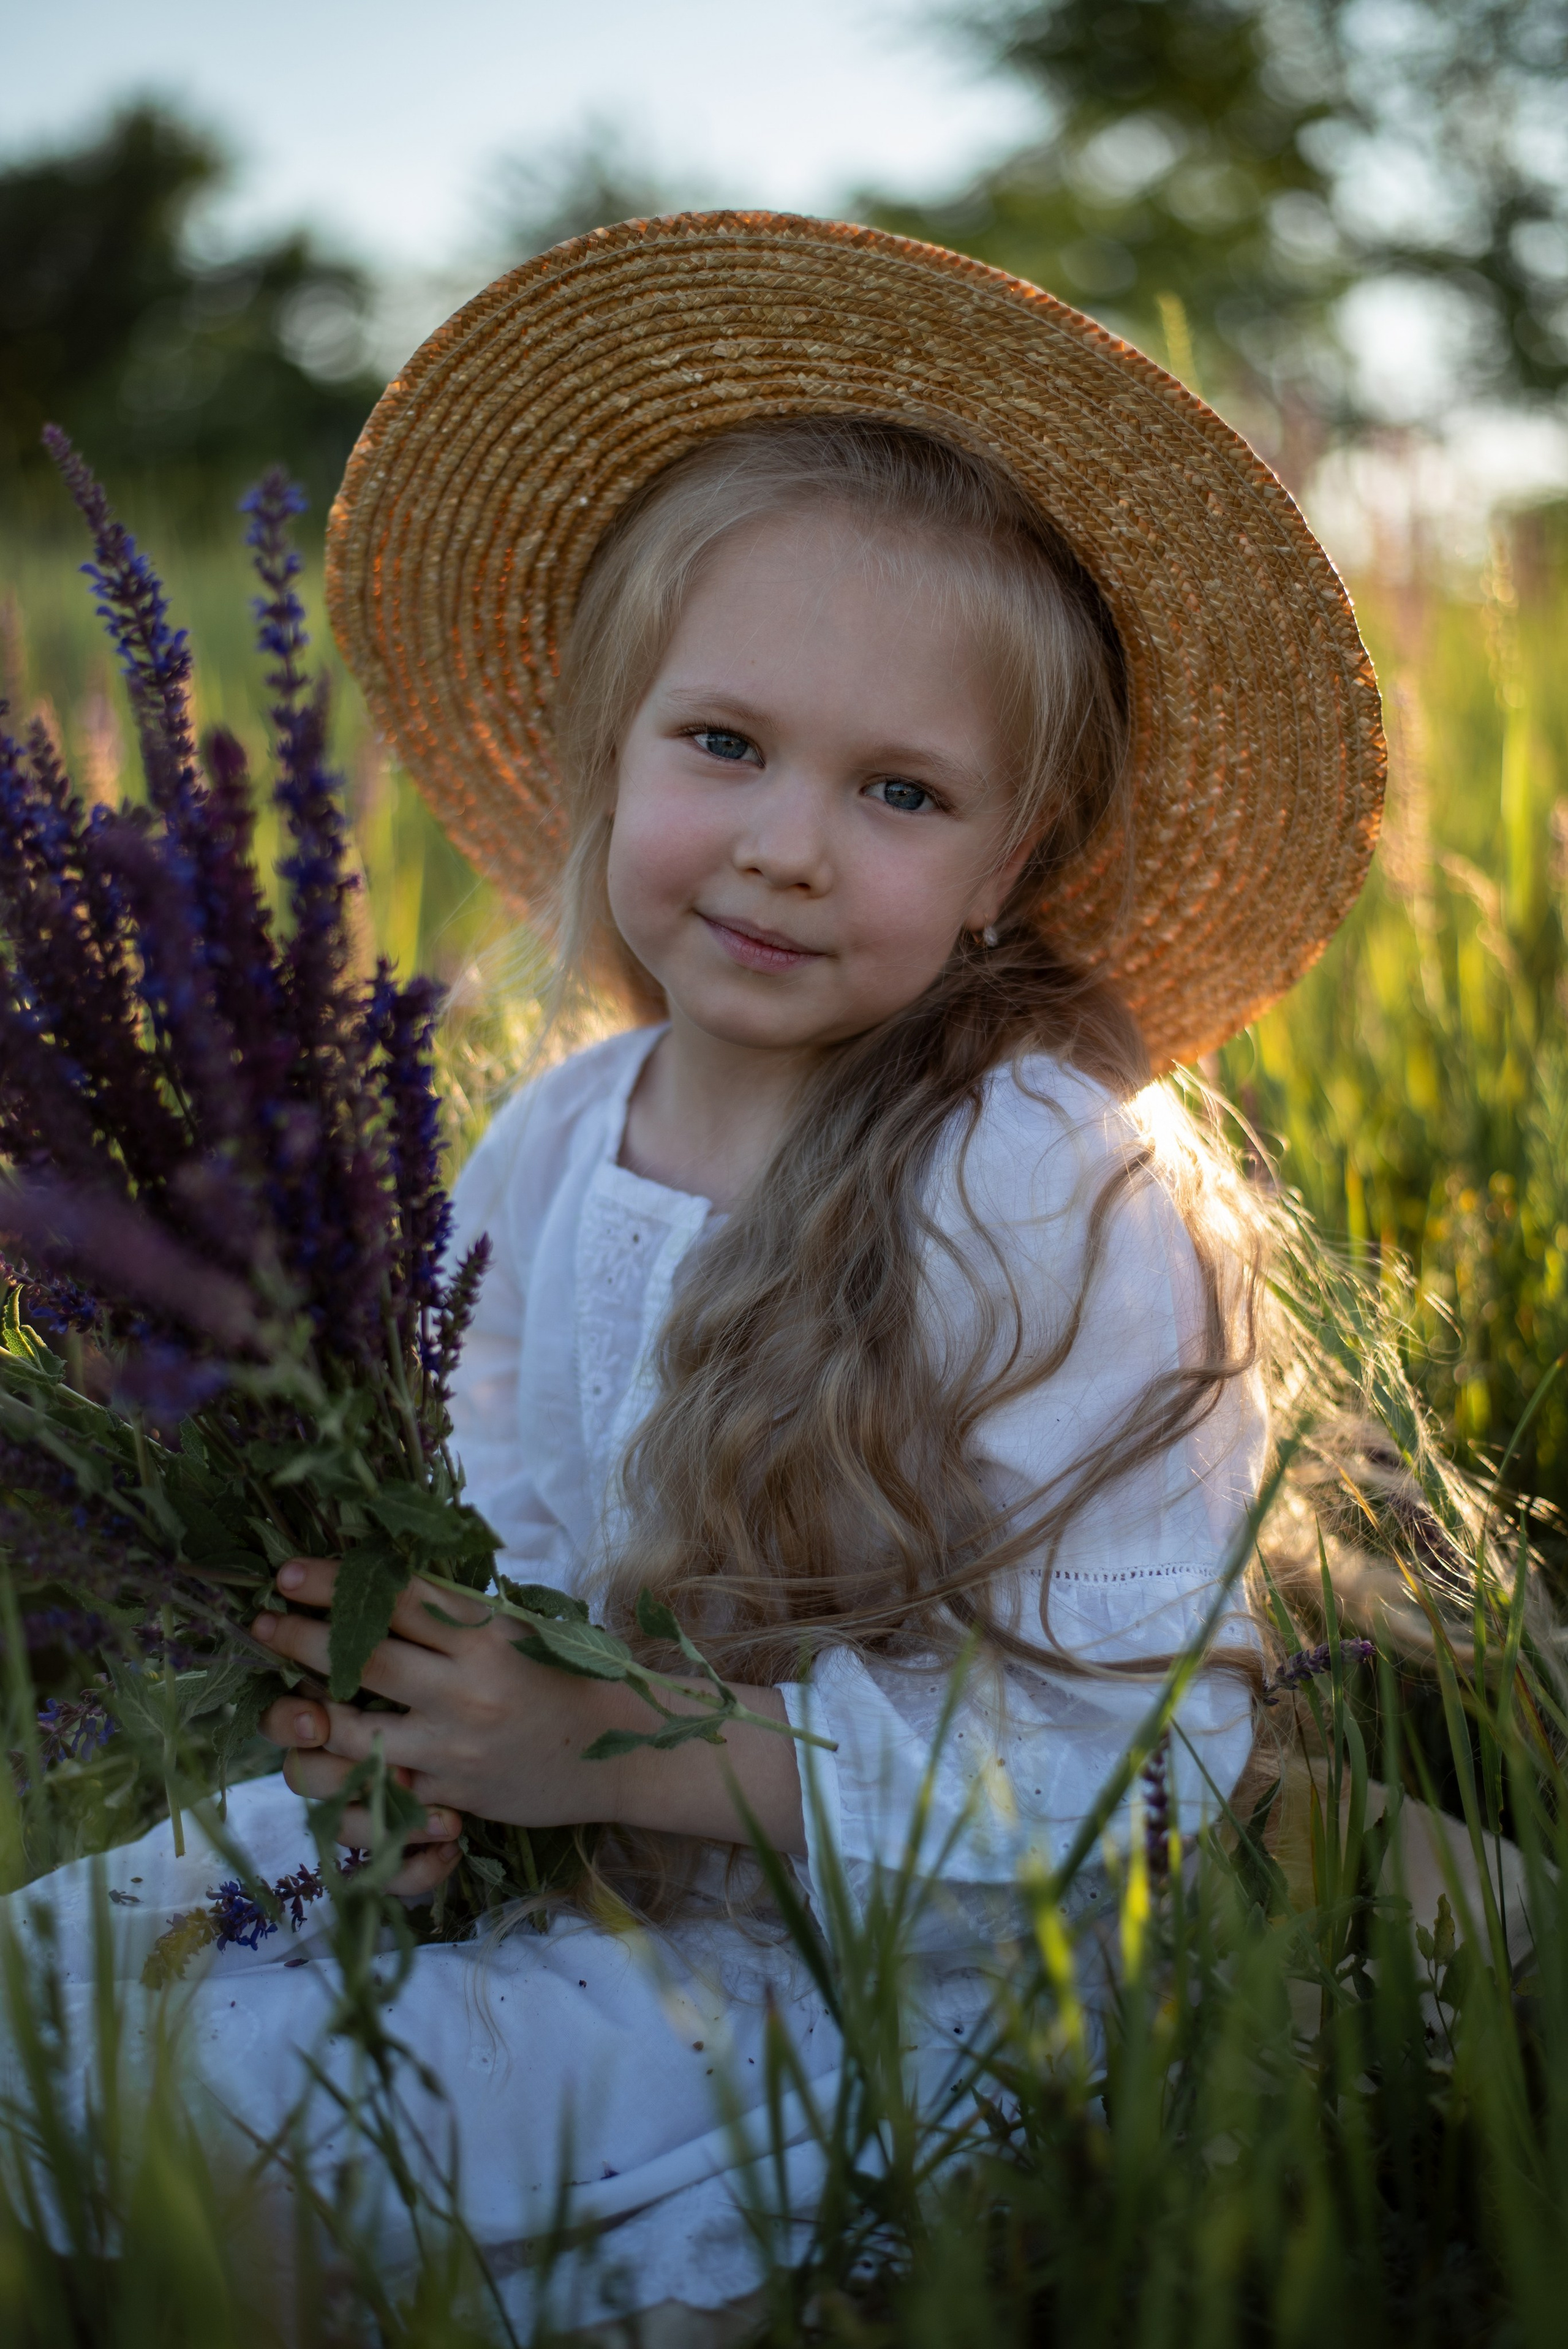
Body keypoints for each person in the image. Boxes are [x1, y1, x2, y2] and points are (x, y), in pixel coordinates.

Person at [4, 216, 1384, 2328]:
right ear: (606, 746)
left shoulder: (1038, 1182)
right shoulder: (560, 1138)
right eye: (725, 744)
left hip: (875, 1966)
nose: (787, 842)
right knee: (50, 1985)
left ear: (1011, 863)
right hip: (561, 1844)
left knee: (249, 2127)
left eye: (900, 789)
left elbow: (1125, 1766)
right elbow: (510, 1527)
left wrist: (613, 1754)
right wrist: (428, 1718)